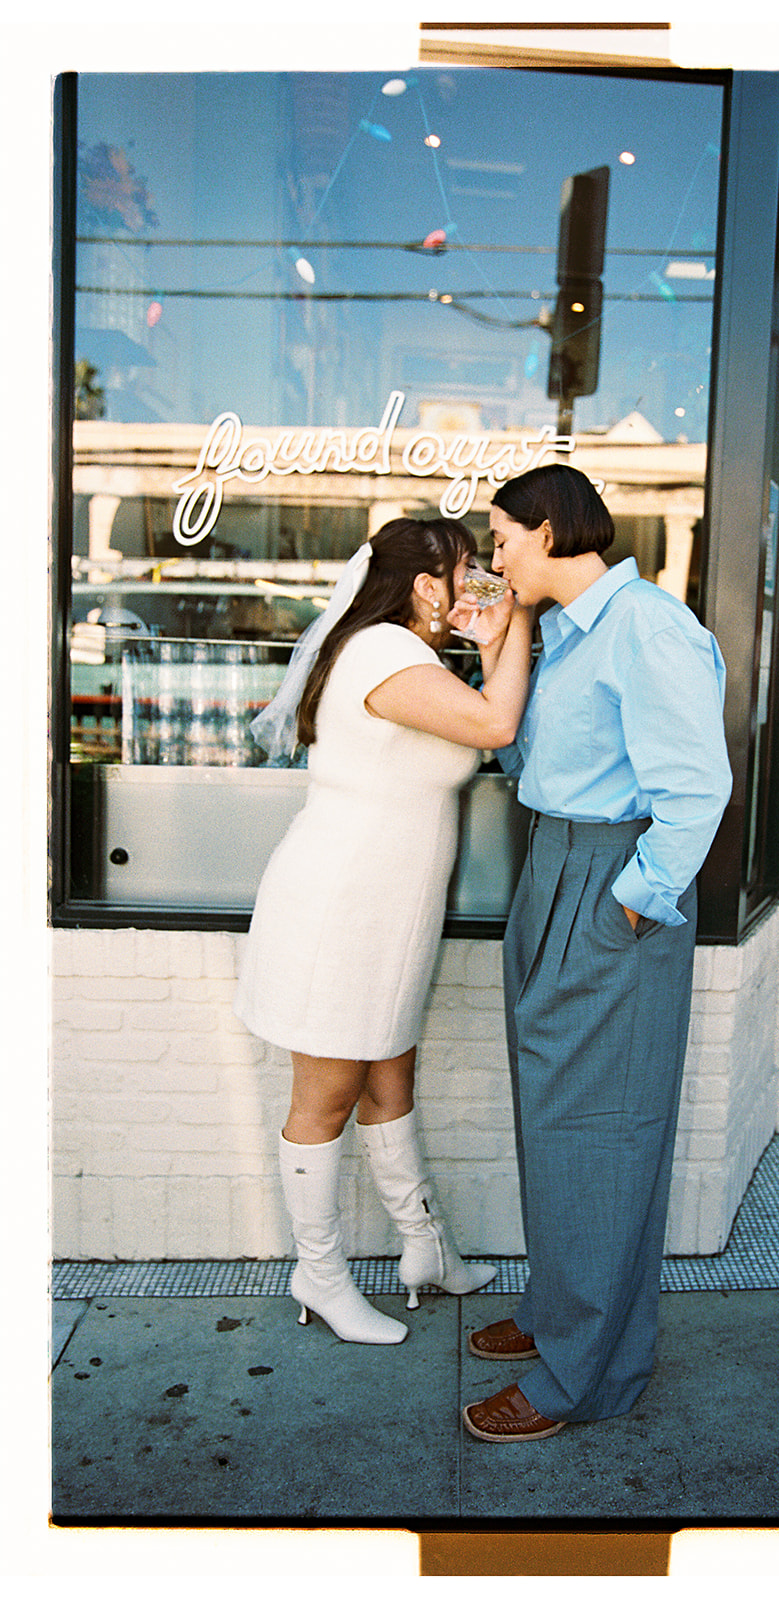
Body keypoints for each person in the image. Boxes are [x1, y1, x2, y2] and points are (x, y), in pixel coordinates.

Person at [461, 464, 731, 1440]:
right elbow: (526, 765)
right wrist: (499, 646)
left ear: (546, 530)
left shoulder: (646, 626)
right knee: (556, 1114)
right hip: (552, 864)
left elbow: (696, 787)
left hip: (608, 876)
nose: (493, 559)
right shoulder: (564, 633)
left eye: (500, 539)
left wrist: (630, 902)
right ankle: (558, 1313)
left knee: (601, 1126)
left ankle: (588, 1374)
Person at [234, 516, 532, 1345]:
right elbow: (494, 726)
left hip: (388, 913)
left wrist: (487, 636)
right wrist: (516, 626)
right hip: (339, 909)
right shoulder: (382, 654)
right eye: (470, 572)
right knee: (326, 1096)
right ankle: (320, 1274)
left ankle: (423, 1247)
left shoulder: (412, 654)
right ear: (426, 584)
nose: (484, 585)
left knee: (390, 1079)